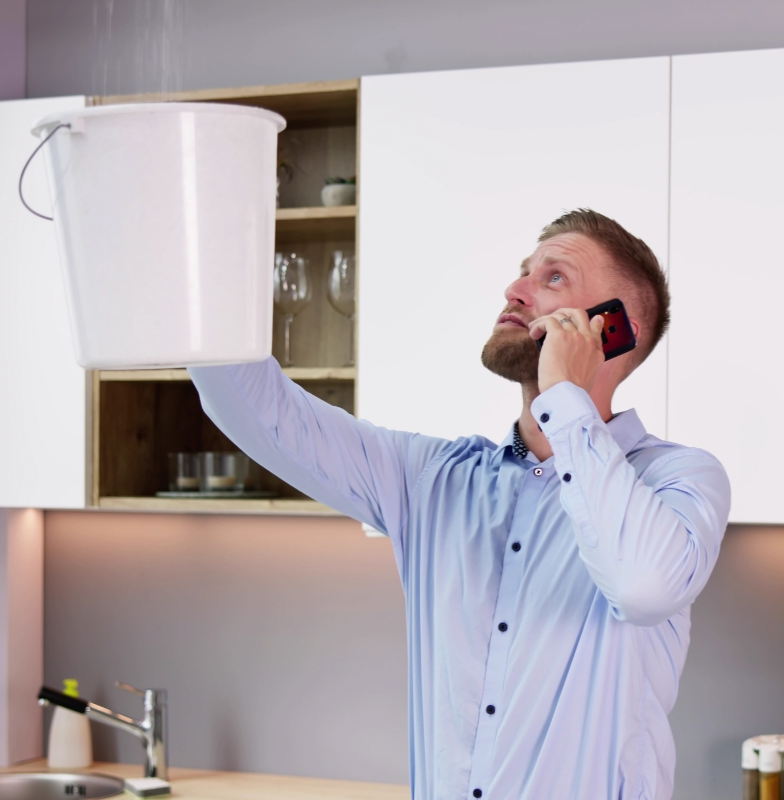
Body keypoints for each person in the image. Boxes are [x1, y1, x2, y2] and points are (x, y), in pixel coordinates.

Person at [189, 208, 731, 800]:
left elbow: (641, 587)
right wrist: (199, 256)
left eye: (553, 278)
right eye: (524, 271)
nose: (515, 289)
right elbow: (256, 408)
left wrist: (567, 396)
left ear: (609, 330)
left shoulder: (676, 480)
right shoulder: (432, 481)